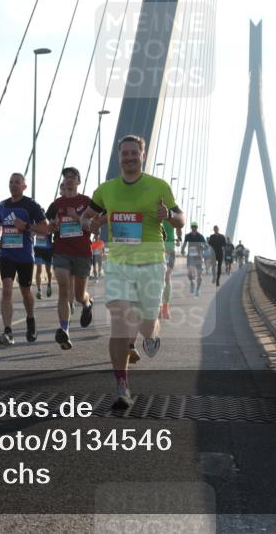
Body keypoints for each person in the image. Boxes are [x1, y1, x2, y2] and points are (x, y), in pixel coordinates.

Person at [84, 135, 183, 410]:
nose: (129, 157)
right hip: (118, 264)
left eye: (133, 153)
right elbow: (86, 216)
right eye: (124, 153)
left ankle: (151, 335)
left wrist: (169, 217)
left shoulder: (159, 186)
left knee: (145, 324)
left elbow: (180, 217)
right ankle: (122, 385)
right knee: (120, 321)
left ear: (143, 155)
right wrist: (90, 223)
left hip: (151, 264)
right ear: (119, 156)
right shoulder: (106, 189)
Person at [0, 173, 49, 346]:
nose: (13, 185)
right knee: (7, 289)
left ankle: (30, 320)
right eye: (11, 182)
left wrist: (26, 226)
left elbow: (45, 228)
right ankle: (7, 330)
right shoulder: (3, 204)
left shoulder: (30, 205)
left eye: (17, 182)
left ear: (24, 186)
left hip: (24, 255)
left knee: (25, 291)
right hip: (7, 255)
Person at [46, 167, 95, 350]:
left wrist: (77, 218)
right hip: (62, 250)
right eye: (66, 177)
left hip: (82, 252)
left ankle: (87, 303)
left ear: (78, 182)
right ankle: (64, 330)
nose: (69, 180)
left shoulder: (87, 202)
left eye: (73, 177)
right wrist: (53, 227)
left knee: (79, 295)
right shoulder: (56, 204)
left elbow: (94, 226)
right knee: (64, 289)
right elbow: (48, 226)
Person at [182, 222, 207, 296]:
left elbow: (206, 246)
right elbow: (184, 244)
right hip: (190, 256)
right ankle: (192, 283)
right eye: (192, 227)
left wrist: (201, 248)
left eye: (195, 227)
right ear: (191, 227)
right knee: (189, 274)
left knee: (199, 275)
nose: (194, 228)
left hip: (198, 257)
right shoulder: (187, 236)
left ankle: (198, 289)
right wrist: (182, 250)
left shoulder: (200, 236)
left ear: (197, 228)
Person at [160, 220, 179, 320]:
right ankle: (158, 306)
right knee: (157, 278)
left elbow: (179, 224)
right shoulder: (151, 209)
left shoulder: (172, 212)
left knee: (167, 277)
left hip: (169, 249)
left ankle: (165, 306)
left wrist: (179, 237)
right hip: (155, 250)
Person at [33, 231, 54, 300]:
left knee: (48, 271)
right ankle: (39, 290)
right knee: (39, 269)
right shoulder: (34, 221)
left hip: (48, 249)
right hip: (38, 248)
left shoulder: (48, 221)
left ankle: (49, 284)